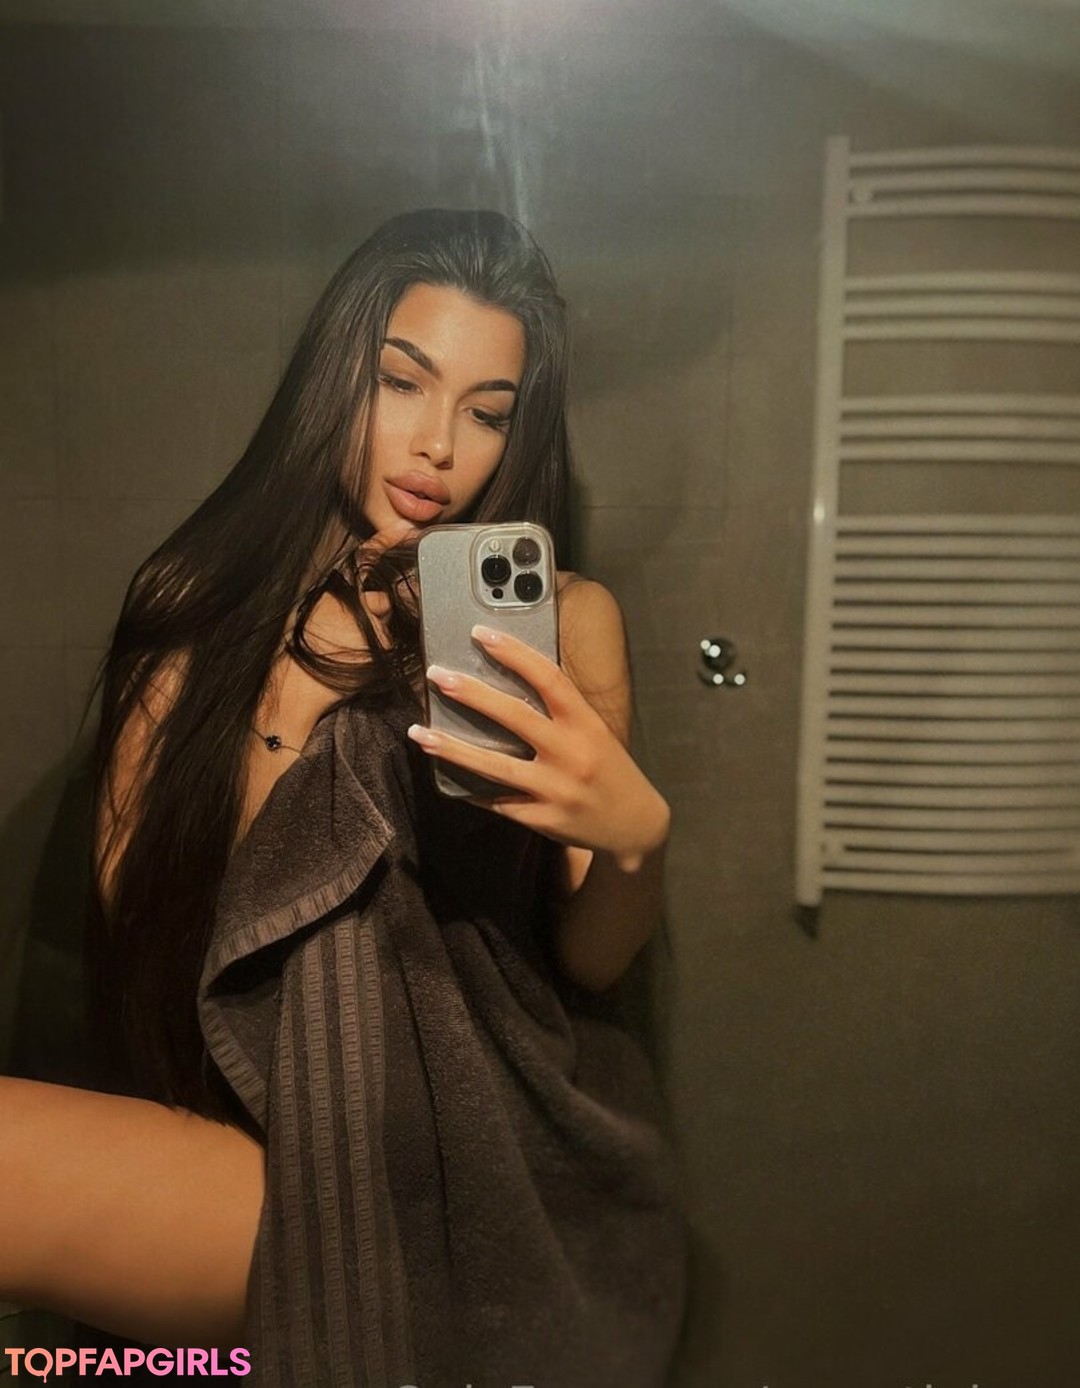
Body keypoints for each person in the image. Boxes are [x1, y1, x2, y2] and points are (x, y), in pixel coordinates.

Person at [0, 209, 689, 1385]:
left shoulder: (564, 621)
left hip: (467, 1162)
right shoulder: (190, 609)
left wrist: (636, 843)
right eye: (400, 382)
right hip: (250, 1125)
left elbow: (589, 961)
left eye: (487, 412)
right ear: (336, 378)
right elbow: (144, 926)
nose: (438, 447)